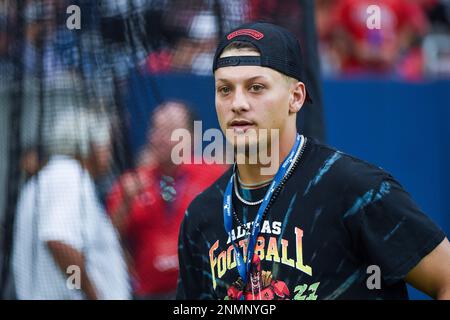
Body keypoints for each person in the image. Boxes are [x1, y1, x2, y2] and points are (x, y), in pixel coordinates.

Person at [176, 21, 450, 300]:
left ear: (295, 97)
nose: (237, 103)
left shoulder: (355, 190)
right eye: (225, 89)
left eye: (256, 87)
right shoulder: (201, 216)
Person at [106, 101, 227, 299]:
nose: (160, 138)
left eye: (170, 130)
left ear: (192, 137)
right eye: (155, 129)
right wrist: (126, 202)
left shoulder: (215, 176)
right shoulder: (132, 182)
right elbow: (108, 237)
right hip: (148, 293)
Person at [12, 106, 130, 299]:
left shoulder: (54, 176)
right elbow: (58, 241)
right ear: (90, 146)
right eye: (107, 145)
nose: (109, 154)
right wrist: (92, 294)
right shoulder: (68, 177)